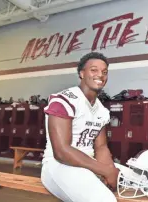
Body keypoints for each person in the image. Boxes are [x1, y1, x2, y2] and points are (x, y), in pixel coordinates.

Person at [41, 52, 120, 202]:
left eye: (104, 72)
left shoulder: (102, 110)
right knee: (104, 200)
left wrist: (109, 171)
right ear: (82, 73)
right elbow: (61, 151)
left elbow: (101, 147)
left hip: (89, 166)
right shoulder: (64, 100)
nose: (100, 75)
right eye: (94, 70)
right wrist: (105, 171)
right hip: (58, 167)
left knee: (140, 182)